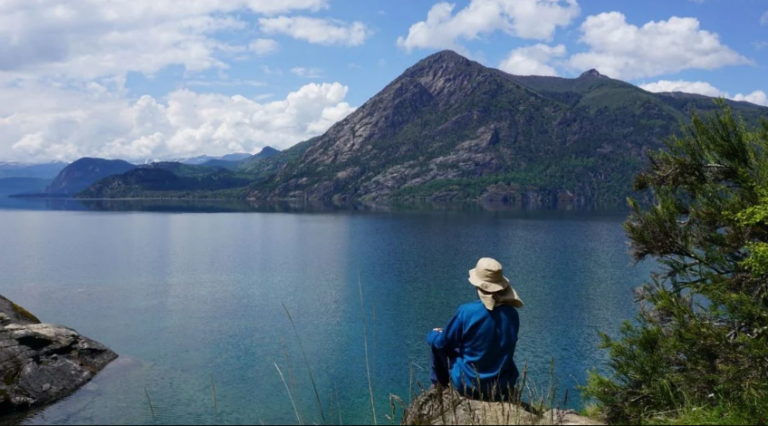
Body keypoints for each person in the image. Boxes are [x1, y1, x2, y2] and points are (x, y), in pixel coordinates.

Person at [428, 258, 523, 400]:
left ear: (478, 285)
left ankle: (439, 388)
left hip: (468, 384)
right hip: (501, 385)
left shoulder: (467, 312)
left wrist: (432, 334)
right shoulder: (512, 314)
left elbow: (443, 343)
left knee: (437, 343)